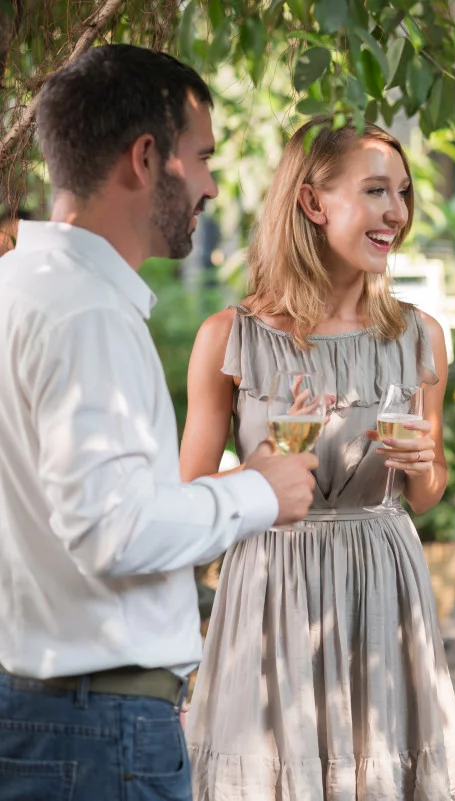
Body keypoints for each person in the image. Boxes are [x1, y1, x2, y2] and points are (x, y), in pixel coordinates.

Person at [0, 44, 317, 800]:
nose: (210, 183)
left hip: (43, 712)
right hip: (101, 731)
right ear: (146, 159)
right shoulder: (87, 315)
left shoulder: (17, 285)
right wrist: (257, 490)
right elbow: (114, 530)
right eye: (201, 157)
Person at [179, 117, 455, 800]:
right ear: (312, 203)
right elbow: (185, 499)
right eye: (374, 191)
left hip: (382, 585)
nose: (396, 212)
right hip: (271, 589)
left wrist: (426, 461)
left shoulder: (420, 336)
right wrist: (256, 477)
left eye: (402, 192)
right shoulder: (230, 337)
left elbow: (425, 495)